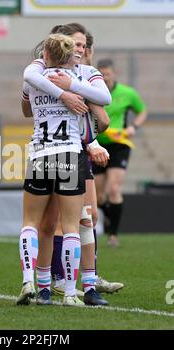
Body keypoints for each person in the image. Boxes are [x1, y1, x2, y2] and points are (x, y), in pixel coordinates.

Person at [18, 30, 111, 307]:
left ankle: (29, 281)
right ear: (72, 55)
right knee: (71, 226)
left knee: (31, 223)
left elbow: (27, 84)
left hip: (39, 155)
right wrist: (70, 88)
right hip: (70, 155)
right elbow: (104, 99)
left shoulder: (36, 78)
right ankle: (71, 293)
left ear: (45, 54)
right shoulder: (79, 79)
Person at [51, 32, 124, 295]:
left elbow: (102, 120)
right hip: (61, 150)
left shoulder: (86, 76)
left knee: (89, 216)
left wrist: (93, 142)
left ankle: (88, 276)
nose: (82, 49)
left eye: (85, 45)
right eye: (77, 44)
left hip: (81, 150)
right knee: (62, 220)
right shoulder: (52, 73)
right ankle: (58, 279)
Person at [94, 58, 147, 247]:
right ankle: (110, 214)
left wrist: (134, 127)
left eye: (108, 74)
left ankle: (113, 235)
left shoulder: (127, 93)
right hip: (98, 145)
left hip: (119, 144)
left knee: (114, 189)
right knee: (99, 197)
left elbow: (142, 111)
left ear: (113, 73)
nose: (105, 77)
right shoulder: (92, 91)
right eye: (102, 74)